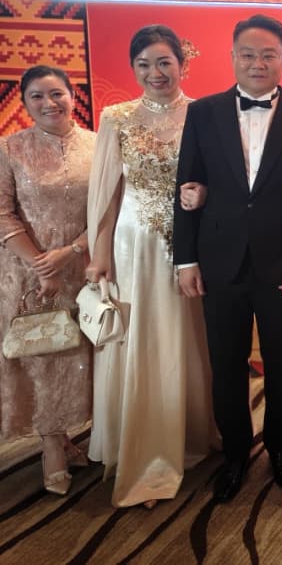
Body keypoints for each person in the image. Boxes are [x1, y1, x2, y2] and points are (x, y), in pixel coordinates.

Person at [173, 14, 282, 503]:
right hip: (220, 261)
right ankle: (236, 454)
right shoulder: (203, 113)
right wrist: (186, 260)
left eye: (268, 55)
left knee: (281, 363)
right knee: (226, 363)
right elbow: (187, 187)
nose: (258, 63)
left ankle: (280, 448)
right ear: (233, 57)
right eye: (248, 54)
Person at [84, 25, 217, 508]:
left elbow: (221, 178)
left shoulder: (205, 114)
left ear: (183, 63)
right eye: (143, 64)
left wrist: (205, 193)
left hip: (190, 245)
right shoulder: (116, 117)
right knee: (138, 335)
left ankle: (191, 432)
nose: (155, 73)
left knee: (186, 335)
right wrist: (99, 253)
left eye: (164, 62)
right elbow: (107, 192)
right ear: (133, 68)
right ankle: (142, 450)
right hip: (133, 245)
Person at [0, 65, 95, 495]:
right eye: (36, 96)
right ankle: (51, 444)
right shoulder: (11, 148)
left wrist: (70, 252)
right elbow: (3, 213)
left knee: (75, 354)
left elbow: (109, 209)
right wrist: (41, 264)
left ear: (73, 95)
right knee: (41, 354)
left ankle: (67, 435)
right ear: (24, 102)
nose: (48, 103)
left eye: (56, 93)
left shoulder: (98, 145)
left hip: (83, 265)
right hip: (27, 271)